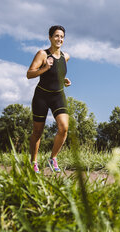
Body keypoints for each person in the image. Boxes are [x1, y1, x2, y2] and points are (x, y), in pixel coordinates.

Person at [27, 25, 71, 173]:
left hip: (58, 95)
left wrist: (64, 80)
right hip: (42, 96)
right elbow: (30, 73)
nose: (59, 39)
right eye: (56, 36)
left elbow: (57, 73)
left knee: (64, 127)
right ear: (50, 38)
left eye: (62, 37)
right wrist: (45, 68)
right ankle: (33, 161)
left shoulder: (66, 56)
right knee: (37, 131)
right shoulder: (42, 54)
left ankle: (53, 158)